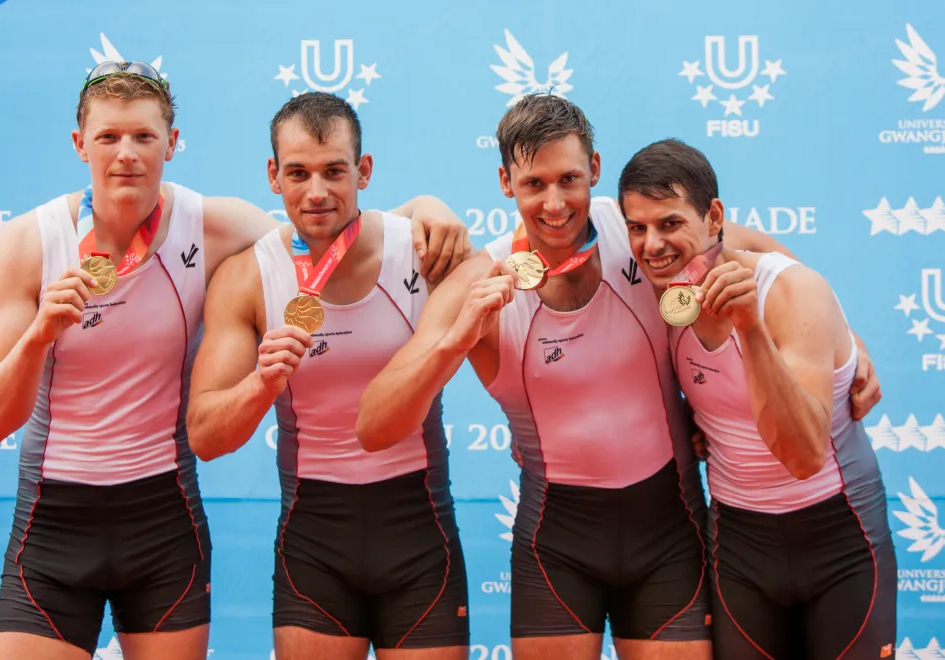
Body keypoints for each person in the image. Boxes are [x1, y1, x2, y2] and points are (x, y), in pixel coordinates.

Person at [0, 63, 469, 660]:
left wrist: (425, 205)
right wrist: (38, 336)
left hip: (163, 521)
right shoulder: (29, 243)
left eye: (144, 137)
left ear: (172, 143)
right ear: (81, 145)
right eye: (108, 137)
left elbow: (327, 223)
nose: (126, 154)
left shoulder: (212, 226)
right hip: (51, 523)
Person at [356, 94, 883, 660]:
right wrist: (455, 343)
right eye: (535, 184)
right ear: (506, 182)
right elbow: (374, 425)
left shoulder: (637, 232)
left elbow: (746, 248)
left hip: (669, 532)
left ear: (596, 172)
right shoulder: (481, 280)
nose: (556, 204)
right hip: (554, 541)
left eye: (570, 180)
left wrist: (845, 337)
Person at [186, 92, 471, 660]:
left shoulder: (420, 250)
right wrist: (261, 385)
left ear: (363, 171)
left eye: (334, 171)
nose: (316, 192)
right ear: (273, 176)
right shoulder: (248, 278)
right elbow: (204, 435)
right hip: (313, 543)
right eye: (298, 173)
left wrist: (430, 203)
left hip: (420, 534)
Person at [618, 139, 896, 660]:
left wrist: (754, 329)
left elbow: (803, 455)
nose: (652, 244)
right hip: (739, 544)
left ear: (713, 216)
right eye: (637, 228)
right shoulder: (660, 285)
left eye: (670, 224)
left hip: (839, 533)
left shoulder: (790, 295)